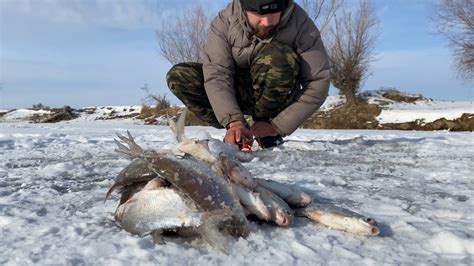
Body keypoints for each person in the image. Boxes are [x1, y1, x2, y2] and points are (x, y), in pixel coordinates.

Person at [167, 0, 330, 149]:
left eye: (274, 12)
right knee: (180, 76)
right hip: (237, 92)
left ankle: (266, 131)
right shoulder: (225, 22)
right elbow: (218, 74)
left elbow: (318, 81)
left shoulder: (300, 24)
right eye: (259, 14)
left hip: (277, 94)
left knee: (276, 57)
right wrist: (233, 121)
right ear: (244, 7)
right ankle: (238, 132)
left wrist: (278, 126)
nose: (266, 22)